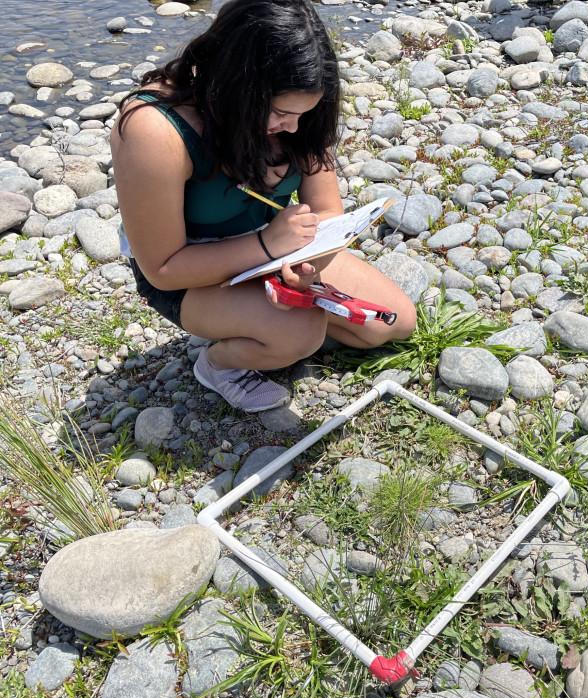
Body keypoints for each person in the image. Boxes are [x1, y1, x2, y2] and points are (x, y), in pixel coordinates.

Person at [110, 0, 416, 413]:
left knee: (390, 324)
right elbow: (163, 269)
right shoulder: (155, 129)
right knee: (300, 332)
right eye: (280, 113)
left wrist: (308, 266)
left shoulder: (302, 114)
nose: (292, 127)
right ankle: (219, 365)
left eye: (301, 115)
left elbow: (326, 211)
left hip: (274, 249)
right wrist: (270, 247)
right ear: (237, 85)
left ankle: (268, 327)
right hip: (191, 277)